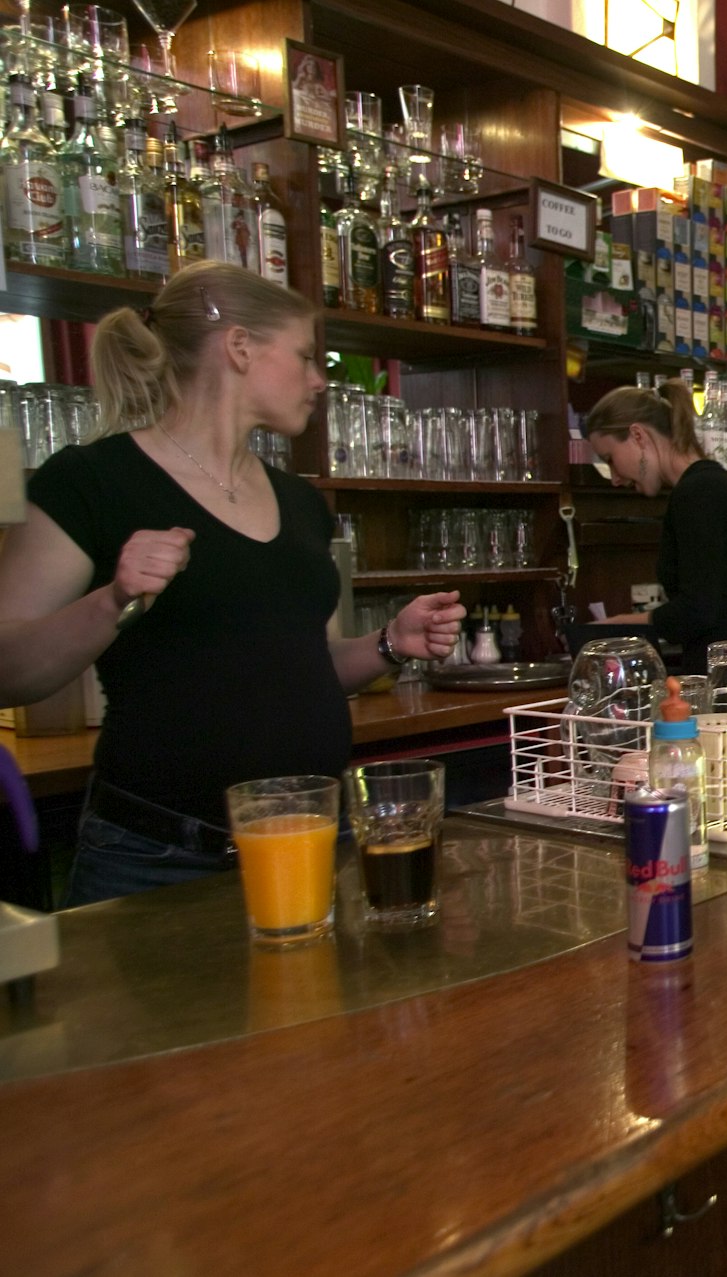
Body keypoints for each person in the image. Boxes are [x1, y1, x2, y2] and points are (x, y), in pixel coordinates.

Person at [0, 261, 465, 907]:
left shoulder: (299, 501)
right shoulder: (89, 480)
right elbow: (7, 668)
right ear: (240, 348)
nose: (318, 379)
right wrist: (113, 599)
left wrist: (388, 642)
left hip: (304, 842)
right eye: (304, 355)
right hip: (155, 858)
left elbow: (297, 667)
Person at [584, 380, 727, 673]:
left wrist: (613, 627)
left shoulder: (696, 492)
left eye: (610, 459)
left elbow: (697, 611)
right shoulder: (708, 484)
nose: (614, 477)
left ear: (638, 435)